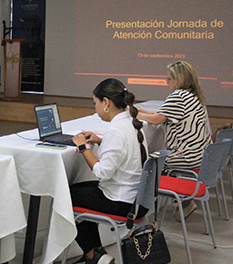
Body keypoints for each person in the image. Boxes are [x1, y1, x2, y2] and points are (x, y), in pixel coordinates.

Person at [69, 78, 148, 264]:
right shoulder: (133, 123)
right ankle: (97, 253)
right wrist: (100, 141)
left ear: (106, 103)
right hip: (137, 198)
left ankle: (93, 255)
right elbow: (125, 153)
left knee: (67, 196)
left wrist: (83, 148)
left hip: (121, 201)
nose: (95, 108)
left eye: (95, 103)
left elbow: (101, 172)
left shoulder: (116, 130)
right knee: (80, 191)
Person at [137, 61, 211, 219]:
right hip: (201, 155)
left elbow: (157, 119)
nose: (167, 81)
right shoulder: (193, 96)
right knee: (157, 159)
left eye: (169, 78)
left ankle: (141, 211)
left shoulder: (179, 95)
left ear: (179, 80)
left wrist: (131, 114)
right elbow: (162, 115)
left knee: (146, 161)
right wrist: (143, 112)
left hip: (188, 156)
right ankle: (183, 204)